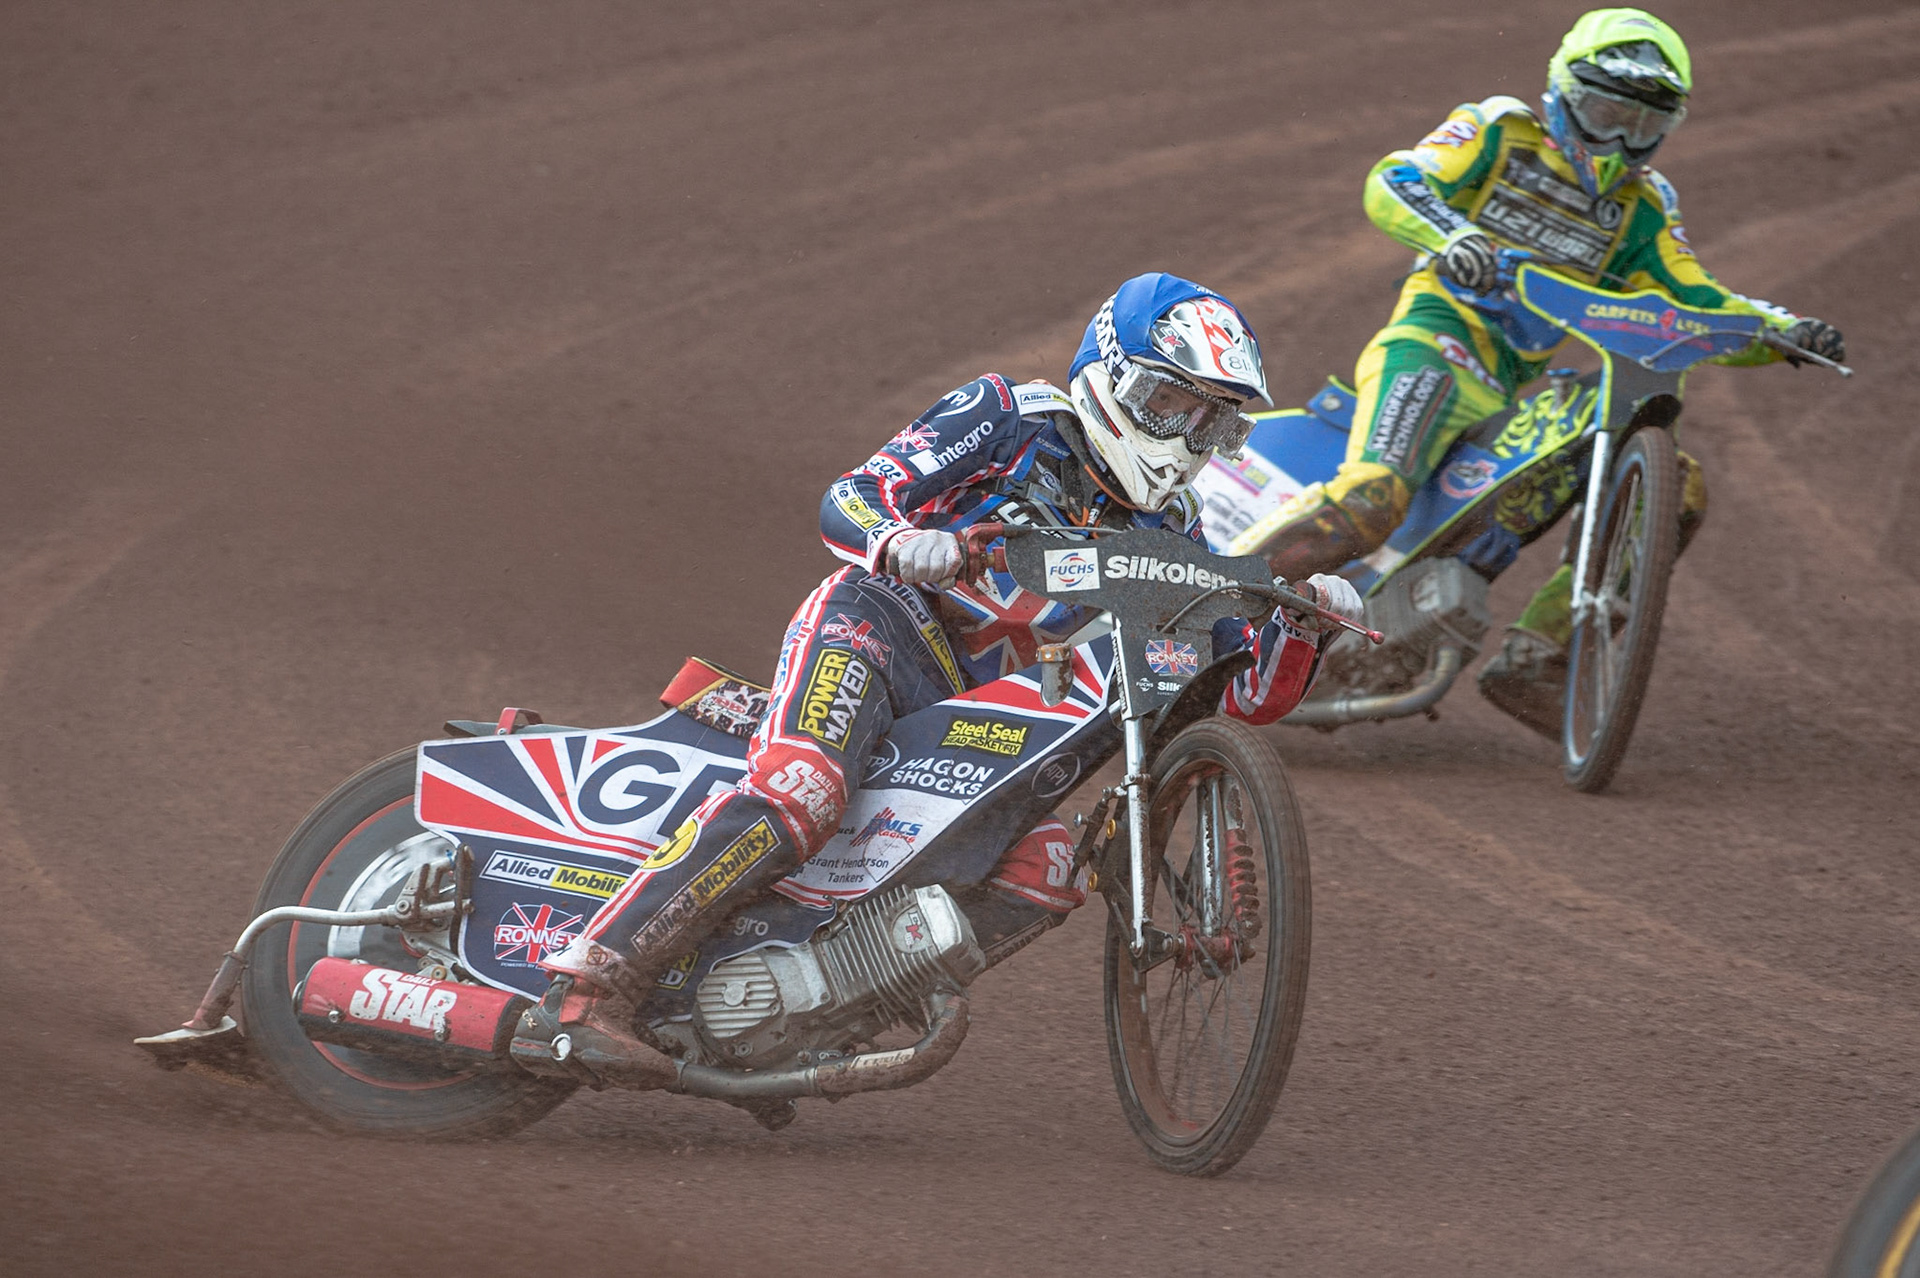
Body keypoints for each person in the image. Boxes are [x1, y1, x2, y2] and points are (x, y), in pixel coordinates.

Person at [512, 272, 1364, 1079]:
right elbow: (851, 494)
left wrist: (1299, 623)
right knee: (805, 787)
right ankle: (591, 985)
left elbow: (1246, 696)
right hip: (879, 624)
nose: (1182, 436)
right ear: (1108, 377)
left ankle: (806, 1018)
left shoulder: (1175, 529)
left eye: (1209, 422)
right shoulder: (1009, 415)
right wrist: (896, 539)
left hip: (974, 706)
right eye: (1168, 403)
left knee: (1051, 865)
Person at [1247, 7, 1844, 735]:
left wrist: (1783, 332)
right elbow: (1395, 178)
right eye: (1604, 112)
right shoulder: (1500, 130)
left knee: (1676, 484)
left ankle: (1541, 654)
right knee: (1374, 497)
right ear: (1564, 92)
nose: (1620, 139)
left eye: (1642, 124)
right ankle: (1203, 608)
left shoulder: (1644, 208)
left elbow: (1700, 301)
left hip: (1510, 388)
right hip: (1433, 343)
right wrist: (1453, 233)